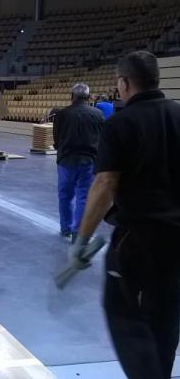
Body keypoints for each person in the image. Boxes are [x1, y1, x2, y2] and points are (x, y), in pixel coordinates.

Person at [72, 51, 180, 379]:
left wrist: (82, 240)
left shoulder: (120, 123)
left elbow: (105, 184)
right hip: (177, 239)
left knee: (122, 312)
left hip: (137, 239)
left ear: (125, 82)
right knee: (165, 317)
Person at [53, 83, 104, 242]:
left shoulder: (62, 115)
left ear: (71, 96)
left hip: (66, 161)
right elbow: (102, 140)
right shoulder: (98, 114)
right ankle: (77, 232)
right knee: (83, 196)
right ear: (89, 98)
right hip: (88, 162)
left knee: (65, 195)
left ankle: (65, 228)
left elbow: (56, 139)